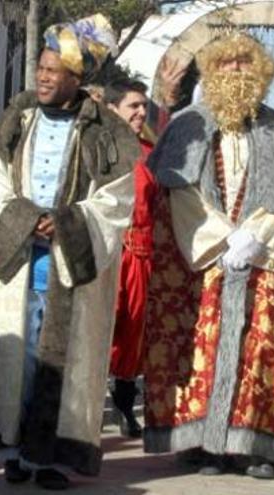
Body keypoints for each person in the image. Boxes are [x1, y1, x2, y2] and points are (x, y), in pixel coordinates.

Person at [0, 15, 139, 490]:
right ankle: (15, 450)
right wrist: (27, 220)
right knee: (20, 362)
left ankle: (49, 459)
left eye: (53, 70)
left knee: (64, 369)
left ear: (76, 78)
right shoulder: (16, 120)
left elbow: (116, 198)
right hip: (21, 264)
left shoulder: (107, 131)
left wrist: (65, 222)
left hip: (72, 269)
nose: (43, 77)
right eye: (41, 68)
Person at [142, 31, 274, 479]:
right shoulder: (186, 126)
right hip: (201, 261)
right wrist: (221, 240)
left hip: (260, 260)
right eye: (226, 64)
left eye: (244, 64)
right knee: (199, 352)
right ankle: (203, 444)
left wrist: (253, 240)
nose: (235, 72)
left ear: (261, 72)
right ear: (211, 72)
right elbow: (178, 193)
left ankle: (254, 445)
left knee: (258, 355)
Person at [103, 77, 154, 439]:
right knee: (101, 329)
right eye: (132, 106)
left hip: (143, 254)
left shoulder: (151, 151)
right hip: (107, 251)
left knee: (135, 332)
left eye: (142, 106)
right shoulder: (96, 149)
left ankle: (124, 403)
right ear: (112, 110)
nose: (140, 112)